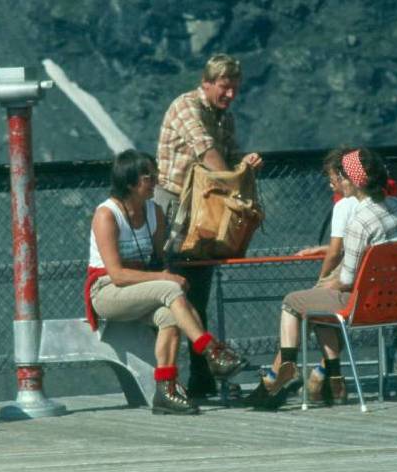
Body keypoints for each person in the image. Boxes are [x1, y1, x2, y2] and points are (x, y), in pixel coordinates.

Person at [246, 148, 397, 410]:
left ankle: (287, 367)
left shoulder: (360, 221)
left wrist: (324, 285)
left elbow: (346, 279)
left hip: (363, 303)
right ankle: (326, 378)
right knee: (316, 300)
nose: (339, 181)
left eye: (343, 176)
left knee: (292, 302)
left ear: (355, 181)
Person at [84, 149, 248, 415]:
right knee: (171, 288)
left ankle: (166, 390)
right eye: (149, 178)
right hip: (107, 291)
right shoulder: (107, 215)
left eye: (155, 175)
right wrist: (165, 278)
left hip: (141, 289)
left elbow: (159, 260)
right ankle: (211, 351)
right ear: (130, 182)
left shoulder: (154, 212)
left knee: (169, 316)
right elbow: (117, 274)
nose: (156, 182)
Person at [155, 53, 263, 398]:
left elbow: (228, 156)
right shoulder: (187, 107)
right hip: (173, 205)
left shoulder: (224, 117)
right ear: (207, 83)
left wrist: (244, 164)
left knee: (198, 291)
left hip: (204, 206)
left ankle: (200, 376)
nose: (230, 95)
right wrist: (235, 182)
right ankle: (172, 374)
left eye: (234, 89)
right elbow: (209, 154)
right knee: (173, 288)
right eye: (224, 87)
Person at [258, 148, 360, 404]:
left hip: (349, 287)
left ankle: (280, 374)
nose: (330, 183)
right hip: (380, 295)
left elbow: (336, 251)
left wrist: (322, 278)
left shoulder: (345, 206)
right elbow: (358, 246)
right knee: (319, 309)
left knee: (302, 304)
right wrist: (322, 249)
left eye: (332, 177)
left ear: (345, 176)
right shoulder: (389, 207)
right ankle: (324, 377)